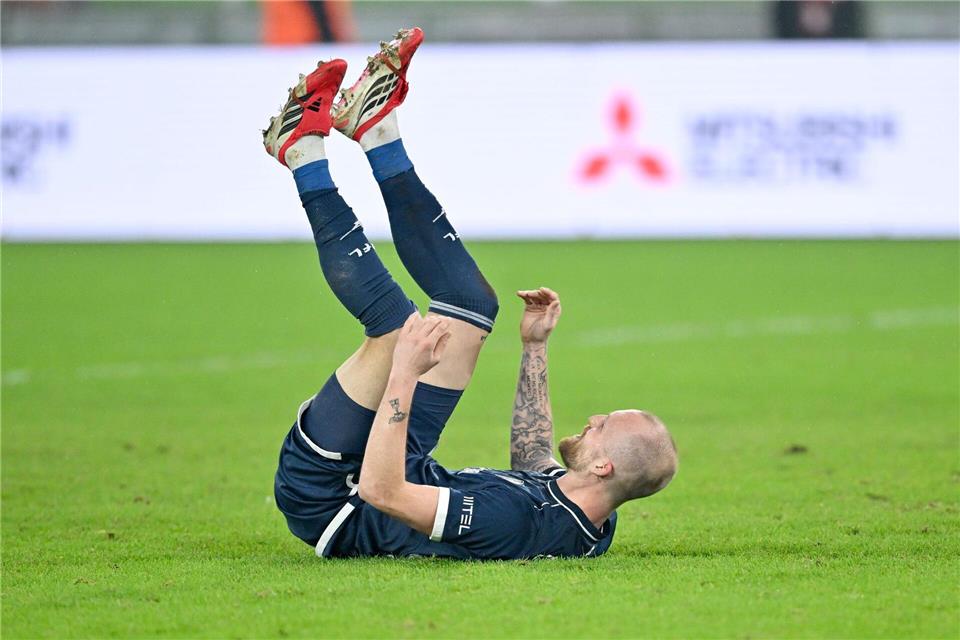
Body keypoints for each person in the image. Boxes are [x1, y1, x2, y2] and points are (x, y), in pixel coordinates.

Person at [263, 28, 678, 559]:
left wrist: (404, 374)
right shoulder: (592, 516)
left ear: (604, 465)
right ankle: (376, 130)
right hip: (403, 465)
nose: (595, 418)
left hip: (335, 496)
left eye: (604, 427)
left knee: (397, 331)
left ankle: (301, 154)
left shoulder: (513, 521)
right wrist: (534, 347)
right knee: (472, 305)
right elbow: (533, 457)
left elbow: (381, 493)